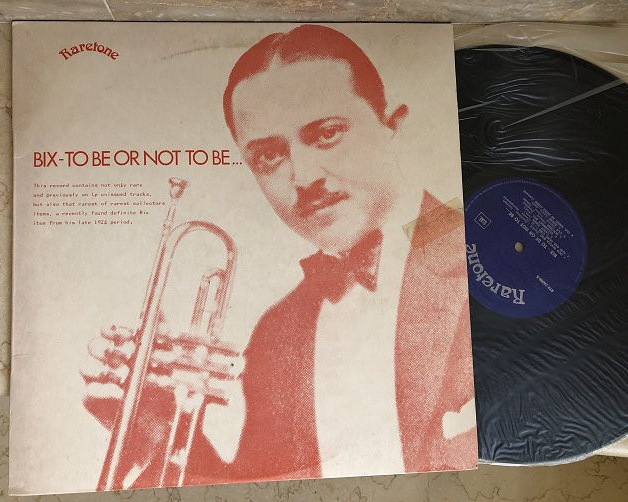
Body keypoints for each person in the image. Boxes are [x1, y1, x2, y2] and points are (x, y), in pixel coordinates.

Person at [80, 24, 476, 488]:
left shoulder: (481, 254)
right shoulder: (276, 334)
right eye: (269, 156)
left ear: (394, 126)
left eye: (327, 134)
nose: (303, 176)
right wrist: (159, 432)